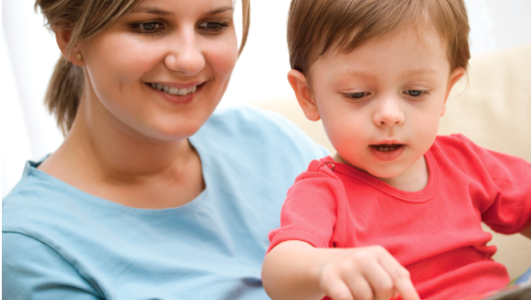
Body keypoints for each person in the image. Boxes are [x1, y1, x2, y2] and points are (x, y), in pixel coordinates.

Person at [261, 0, 531, 299]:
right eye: (357, 94)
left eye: (416, 92)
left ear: (446, 90)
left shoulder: (462, 162)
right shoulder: (323, 192)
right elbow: (281, 270)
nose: (389, 115)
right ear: (308, 95)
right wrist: (324, 267)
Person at [2, 0, 328, 299]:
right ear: (70, 38)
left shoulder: (269, 142)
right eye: (150, 26)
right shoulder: (31, 246)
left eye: (212, 25)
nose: (189, 60)